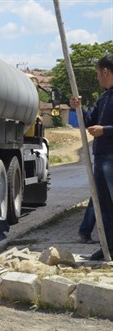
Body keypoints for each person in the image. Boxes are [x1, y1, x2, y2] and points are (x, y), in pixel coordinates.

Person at [71, 54, 113, 260]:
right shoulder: (103, 98)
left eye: (98, 74)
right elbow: (89, 122)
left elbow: (101, 127)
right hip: (101, 157)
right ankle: (108, 248)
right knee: (102, 205)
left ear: (106, 72)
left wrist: (105, 130)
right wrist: (79, 108)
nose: (97, 78)